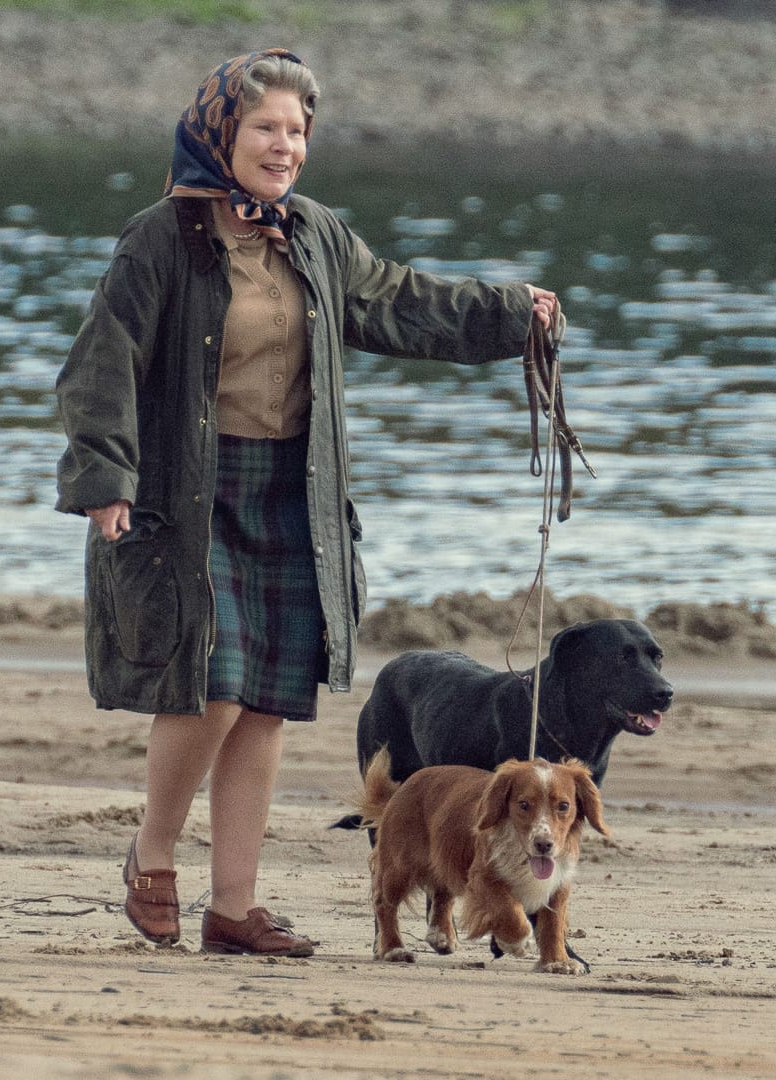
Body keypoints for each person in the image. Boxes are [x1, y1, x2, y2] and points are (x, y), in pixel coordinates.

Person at [53, 48, 558, 956]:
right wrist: (103, 478)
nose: (284, 146)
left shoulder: (314, 234)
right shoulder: (160, 239)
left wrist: (511, 312)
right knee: (211, 683)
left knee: (267, 701)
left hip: (296, 499)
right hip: (187, 498)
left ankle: (233, 909)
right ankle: (153, 857)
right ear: (221, 135)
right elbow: (103, 362)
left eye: (297, 131)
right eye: (265, 129)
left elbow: (400, 302)